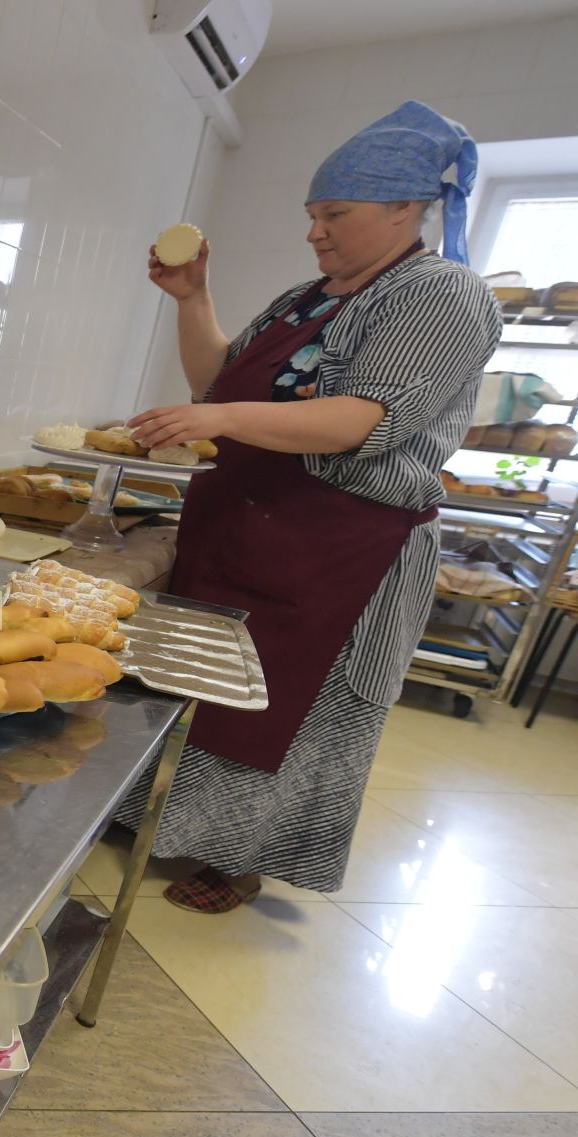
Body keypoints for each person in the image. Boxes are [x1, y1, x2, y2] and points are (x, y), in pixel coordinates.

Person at [119, 101, 501, 913]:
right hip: (247, 529)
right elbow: (214, 382)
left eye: (335, 214)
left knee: (298, 702)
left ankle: (240, 857)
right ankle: (153, 817)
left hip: (339, 549)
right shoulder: (308, 299)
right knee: (200, 684)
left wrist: (218, 420)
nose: (315, 232)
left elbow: (363, 420)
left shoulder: (444, 296)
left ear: (407, 208)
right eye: (311, 215)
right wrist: (192, 298)